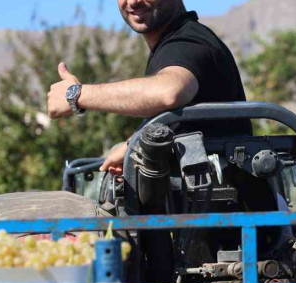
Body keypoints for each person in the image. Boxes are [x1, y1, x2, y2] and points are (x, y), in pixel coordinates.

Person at [46, 0, 252, 175]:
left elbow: (169, 92)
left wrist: (77, 94)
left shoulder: (189, 42)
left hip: (229, 215)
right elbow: (182, 120)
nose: (133, 1)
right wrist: (132, 145)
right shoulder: (170, 47)